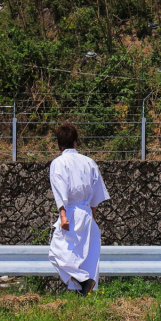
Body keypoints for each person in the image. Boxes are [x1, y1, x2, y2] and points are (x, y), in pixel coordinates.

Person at [47, 123, 108, 296]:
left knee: (57, 254)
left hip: (71, 213)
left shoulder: (58, 163)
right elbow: (97, 193)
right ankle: (84, 288)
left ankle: (83, 281)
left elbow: (60, 191)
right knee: (85, 256)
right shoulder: (89, 162)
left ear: (59, 144)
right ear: (75, 142)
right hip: (87, 213)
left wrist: (63, 215)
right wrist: (92, 215)